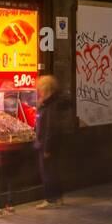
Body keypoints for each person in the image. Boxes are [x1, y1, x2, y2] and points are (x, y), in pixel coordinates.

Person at [34, 74, 72, 208]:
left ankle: (51, 199)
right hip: (50, 144)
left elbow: (50, 128)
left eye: (40, 90)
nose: (39, 93)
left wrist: (47, 148)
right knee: (53, 171)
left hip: (47, 144)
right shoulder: (50, 103)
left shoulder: (51, 106)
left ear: (46, 90)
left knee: (48, 172)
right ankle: (58, 197)